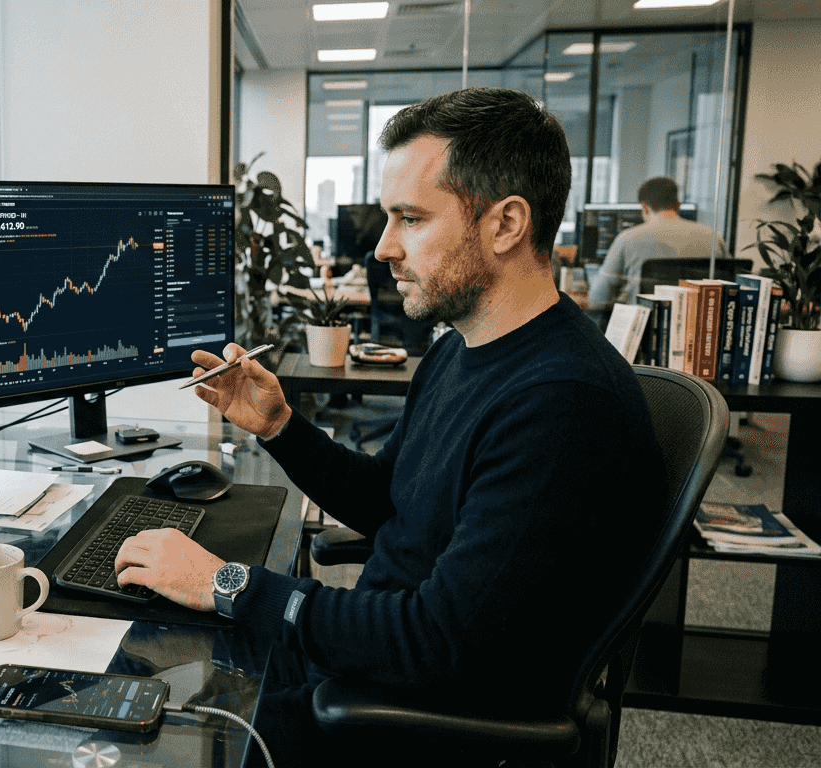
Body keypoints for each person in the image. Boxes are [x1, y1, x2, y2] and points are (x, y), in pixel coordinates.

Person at [113, 88, 667, 762]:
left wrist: (226, 583)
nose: (382, 248)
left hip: (402, 716)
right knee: (129, 650)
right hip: (360, 660)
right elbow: (387, 499)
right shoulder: (461, 348)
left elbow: (439, 640)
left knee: (131, 734)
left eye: (411, 218)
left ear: (506, 224)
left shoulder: (563, 404)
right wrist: (280, 424)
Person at [585, 176, 731, 313]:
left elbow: (597, 299)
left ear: (645, 208)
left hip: (646, 329)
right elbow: (730, 287)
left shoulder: (627, 238)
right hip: (701, 327)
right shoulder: (714, 237)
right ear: (677, 205)